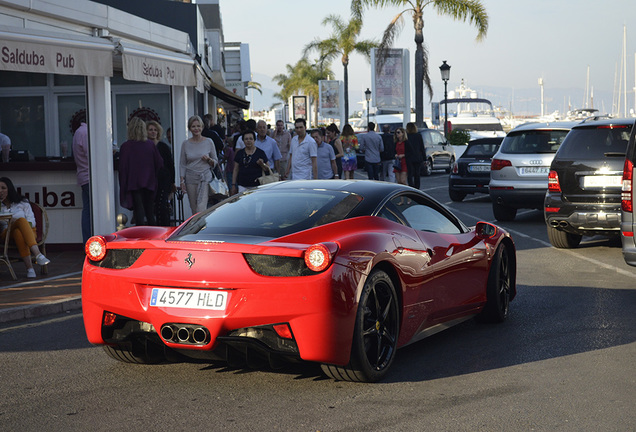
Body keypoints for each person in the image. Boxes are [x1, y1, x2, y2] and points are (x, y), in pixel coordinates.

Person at [0, 177, 50, 278]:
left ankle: (30, 269)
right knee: (20, 221)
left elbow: (32, 222)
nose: (0, 191)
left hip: (29, 231)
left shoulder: (22, 202)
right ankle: (38, 254)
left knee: (19, 231)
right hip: (6, 233)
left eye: (3, 188)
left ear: (9, 189)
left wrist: (20, 224)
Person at [119, 117, 163, 226]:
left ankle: (140, 235)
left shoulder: (126, 146)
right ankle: (153, 235)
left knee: (138, 209)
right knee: (149, 210)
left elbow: (123, 167)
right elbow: (159, 163)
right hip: (149, 181)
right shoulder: (150, 144)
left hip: (133, 182)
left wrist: (123, 183)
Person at [179, 115, 219, 214]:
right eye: (193, 126)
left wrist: (209, 160)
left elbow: (215, 161)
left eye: (198, 126)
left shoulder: (209, 142)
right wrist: (182, 181)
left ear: (202, 127)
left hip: (204, 177)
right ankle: (197, 228)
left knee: (201, 208)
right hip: (190, 178)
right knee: (194, 208)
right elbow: (182, 163)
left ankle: (201, 228)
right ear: (189, 128)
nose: (196, 129)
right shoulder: (185, 144)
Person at [147, 120, 175, 226]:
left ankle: (164, 228)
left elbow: (170, 165)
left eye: (155, 130)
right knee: (150, 207)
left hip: (163, 181)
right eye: (150, 130)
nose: (153, 132)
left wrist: (172, 182)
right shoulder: (145, 147)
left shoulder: (163, 147)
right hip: (149, 181)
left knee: (162, 206)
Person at [72, 121, 91, 243]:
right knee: (90, 212)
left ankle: (88, 242)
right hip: (90, 176)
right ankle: (90, 242)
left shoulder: (79, 132)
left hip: (83, 176)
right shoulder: (86, 132)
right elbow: (92, 155)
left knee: (87, 210)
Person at [405, 122, 425, 189]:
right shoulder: (418, 136)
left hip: (409, 157)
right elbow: (422, 147)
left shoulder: (406, 136)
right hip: (417, 157)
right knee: (417, 174)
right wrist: (424, 158)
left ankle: (411, 186)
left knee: (410, 174)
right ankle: (417, 187)